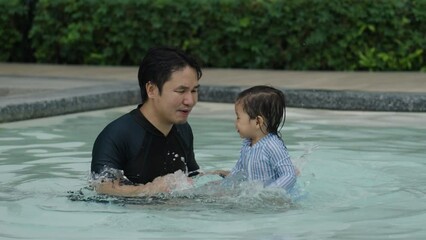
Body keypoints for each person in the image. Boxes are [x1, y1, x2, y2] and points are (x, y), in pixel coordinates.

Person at [90, 47, 203, 196]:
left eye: (194, 91)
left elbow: (192, 178)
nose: (190, 101)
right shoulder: (117, 135)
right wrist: (149, 190)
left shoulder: (183, 130)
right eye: (181, 91)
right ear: (151, 90)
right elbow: (102, 188)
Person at [215, 85, 297, 191]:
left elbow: (289, 175)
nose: (235, 123)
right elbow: (239, 170)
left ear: (258, 122)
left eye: (238, 117)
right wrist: (224, 182)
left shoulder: (272, 145)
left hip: (273, 202)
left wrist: (268, 192)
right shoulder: (247, 143)